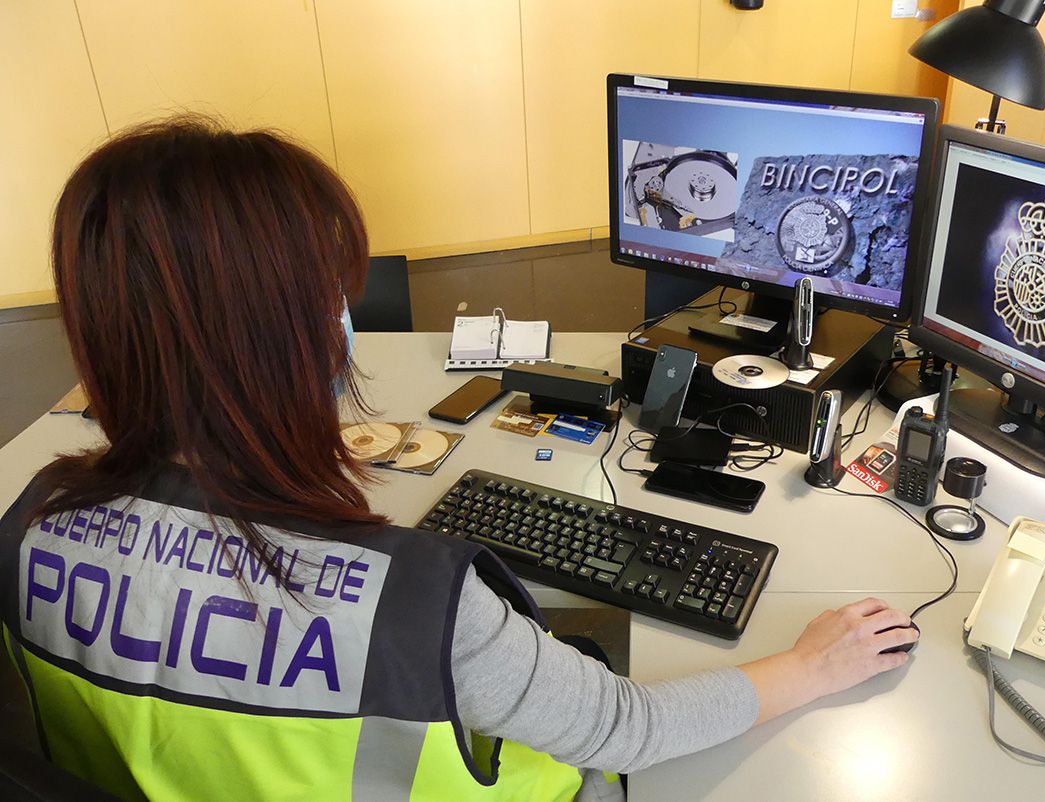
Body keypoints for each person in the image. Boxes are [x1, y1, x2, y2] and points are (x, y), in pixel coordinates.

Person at [0, 118, 918, 801]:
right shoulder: (411, 606)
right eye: (330, 294)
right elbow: (625, 728)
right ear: (287, 339)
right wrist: (811, 664)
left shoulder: (29, 522)